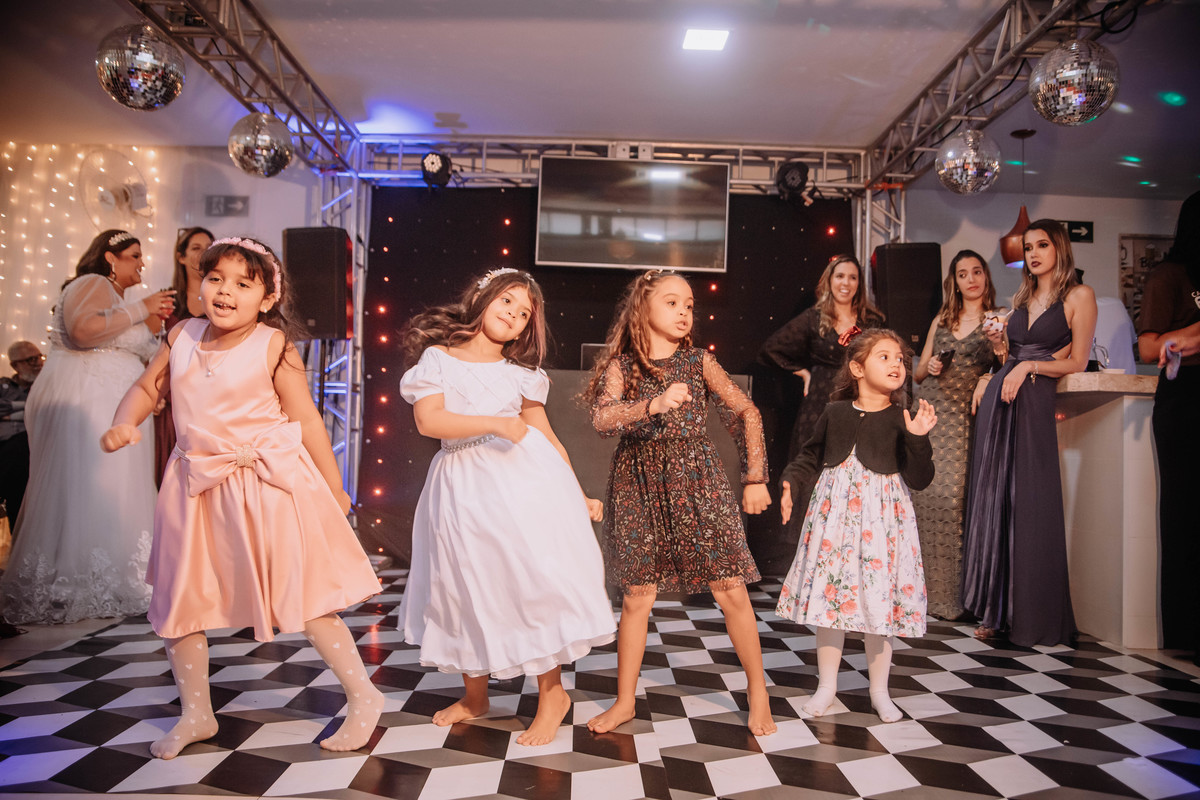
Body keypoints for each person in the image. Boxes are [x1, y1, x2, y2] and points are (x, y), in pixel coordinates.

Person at [101, 237, 382, 759]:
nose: (225, 291)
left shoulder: (274, 345)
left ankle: (364, 696)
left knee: (306, 594)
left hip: (266, 486)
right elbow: (147, 388)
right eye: (216, 279)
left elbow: (306, 420)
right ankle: (196, 713)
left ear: (267, 298)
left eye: (242, 283)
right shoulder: (181, 335)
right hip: (195, 485)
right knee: (181, 599)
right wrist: (125, 421)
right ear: (200, 285)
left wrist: (335, 484)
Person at [398, 267, 615, 747]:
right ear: (482, 299)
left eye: (524, 314)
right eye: (508, 302)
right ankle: (475, 697)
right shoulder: (438, 359)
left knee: (527, 582)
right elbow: (429, 420)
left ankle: (552, 695)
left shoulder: (522, 375)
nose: (515, 315)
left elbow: (546, 437)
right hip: (460, 484)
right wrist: (495, 423)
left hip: (521, 485)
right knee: (462, 584)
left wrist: (577, 492)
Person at [584, 270, 777, 737]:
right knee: (637, 597)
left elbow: (746, 411)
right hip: (638, 484)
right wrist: (652, 405)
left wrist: (755, 476)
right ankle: (624, 701)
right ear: (643, 308)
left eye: (689, 304)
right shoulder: (623, 366)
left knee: (730, 590)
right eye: (672, 302)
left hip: (698, 483)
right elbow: (603, 418)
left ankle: (758, 692)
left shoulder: (698, 361)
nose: (684, 311)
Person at [0, 230, 175, 624]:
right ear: (111, 258)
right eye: (134, 255)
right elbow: (82, 332)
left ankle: (121, 572)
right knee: (92, 486)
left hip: (115, 405)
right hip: (91, 401)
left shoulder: (118, 300)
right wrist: (142, 308)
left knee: (120, 487)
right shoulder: (92, 283)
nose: (141, 263)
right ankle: (76, 579)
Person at [777, 328, 936, 723]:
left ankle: (879, 691)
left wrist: (918, 439)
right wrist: (790, 481)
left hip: (882, 522)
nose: (896, 364)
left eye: (900, 358)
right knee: (831, 600)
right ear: (857, 368)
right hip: (835, 520)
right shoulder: (835, 412)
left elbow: (920, 478)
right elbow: (810, 455)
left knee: (878, 600)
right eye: (885, 356)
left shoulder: (902, 418)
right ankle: (826, 687)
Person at [961, 219, 1097, 647]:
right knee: (997, 502)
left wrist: (1026, 366)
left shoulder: (1079, 296)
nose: (1033, 254)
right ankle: (997, 611)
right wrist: (1000, 349)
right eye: (1028, 247)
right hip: (1002, 401)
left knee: (1031, 503)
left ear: (1060, 248)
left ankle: (1033, 616)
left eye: (1042, 245)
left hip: (1035, 401)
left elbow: (1077, 362)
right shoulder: (1021, 298)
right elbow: (1009, 358)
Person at [760, 255, 885, 543]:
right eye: (840, 276)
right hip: (819, 405)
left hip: (859, 404)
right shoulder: (815, 318)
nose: (846, 283)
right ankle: (810, 544)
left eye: (852, 277)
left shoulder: (872, 321)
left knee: (855, 472)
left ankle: (851, 543)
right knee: (814, 472)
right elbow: (771, 349)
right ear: (830, 280)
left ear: (859, 284)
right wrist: (803, 372)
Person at [910, 251, 1004, 620]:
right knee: (923, 500)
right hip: (930, 413)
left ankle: (954, 598)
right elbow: (918, 373)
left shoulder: (997, 319)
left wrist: (987, 375)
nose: (971, 279)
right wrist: (931, 364)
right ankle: (918, 595)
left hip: (965, 419)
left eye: (977, 272)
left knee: (954, 503)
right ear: (955, 282)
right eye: (963, 274)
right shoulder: (943, 319)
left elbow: (1005, 362)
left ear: (985, 277)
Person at [1136, 190, 1200, 664]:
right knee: (1187, 515)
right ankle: (1189, 631)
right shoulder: (1168, 276)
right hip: (1186, 401)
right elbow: (1149, 347)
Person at [154, 226, 214, 485]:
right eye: (196, 248)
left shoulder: (221, 300)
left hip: (210, 396)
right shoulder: (166, 300)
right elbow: (149, 349)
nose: (203, 254)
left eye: (208, 248)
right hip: (172, 398)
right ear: (180, 256)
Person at [0, 341, 43, 528]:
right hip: (5, 449)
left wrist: (10, 414)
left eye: (39, 357)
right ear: (15, 365)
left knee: (19, 448)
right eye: (30, 359)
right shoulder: (3, 386)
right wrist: (27, 408)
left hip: (29, 449)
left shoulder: (45, 386)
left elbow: (42, 411)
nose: (37, 363)